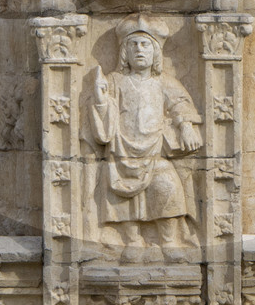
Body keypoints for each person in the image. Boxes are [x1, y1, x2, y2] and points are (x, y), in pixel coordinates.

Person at [85, 22, 202, 248]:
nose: (139, 50)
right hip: (122, 154)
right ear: (125, 53)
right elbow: (103, 113)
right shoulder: (115, 81)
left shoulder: (164, 82)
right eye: (134, 45)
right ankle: (132, 241)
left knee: (167, 186)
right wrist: (100, 98)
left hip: (154, 151)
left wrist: (185, 125)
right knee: (124, 198)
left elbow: (180, 103)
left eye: (145, 45)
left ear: (155, 52)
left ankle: (169, 241)